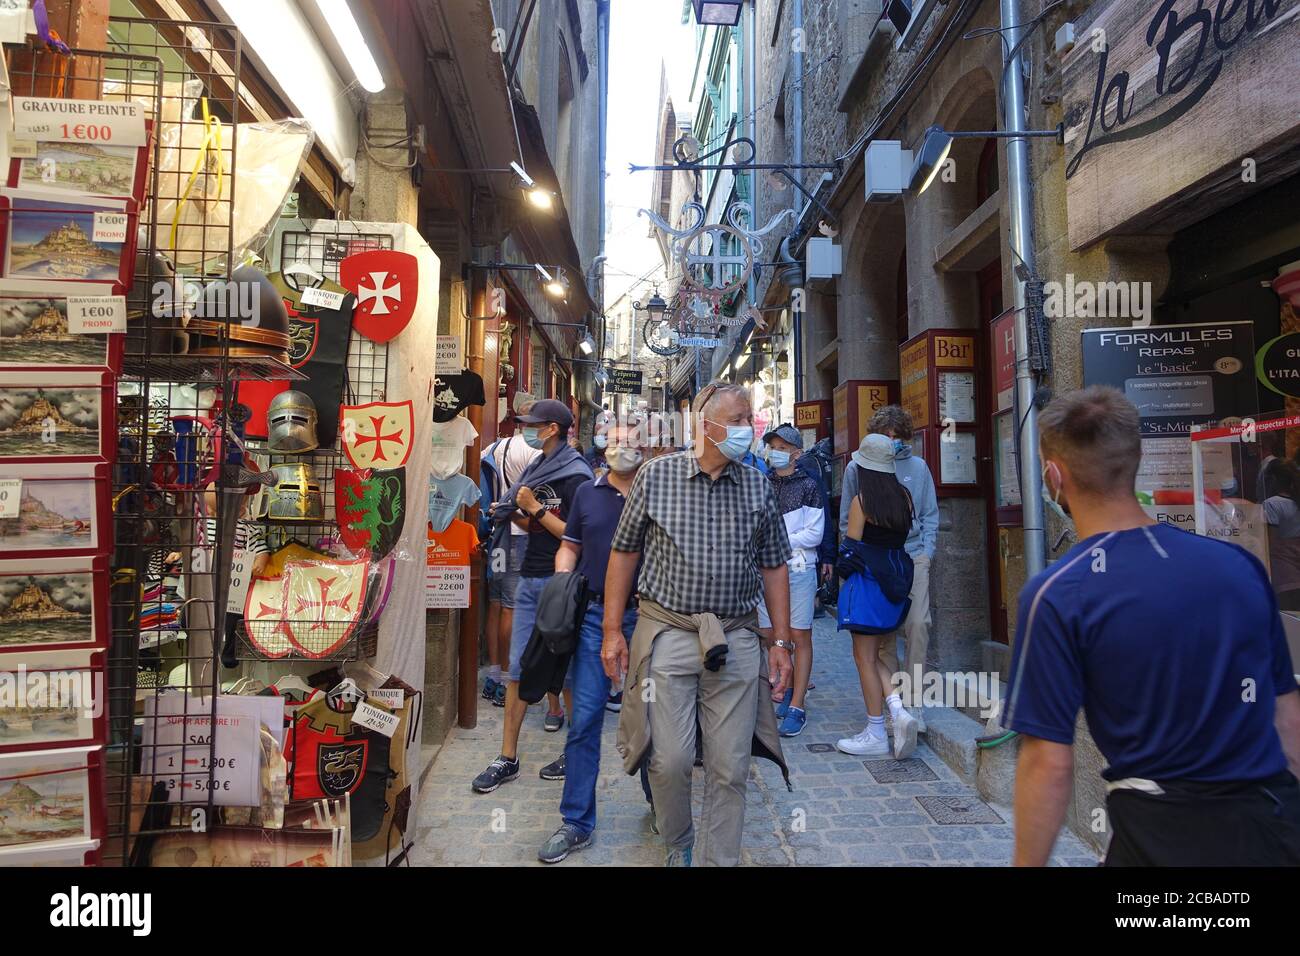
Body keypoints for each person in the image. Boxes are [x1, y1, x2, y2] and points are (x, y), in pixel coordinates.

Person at [1006, 386, 1300, 866]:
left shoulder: (1058, 594)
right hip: (1269, 822)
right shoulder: (1238, 566)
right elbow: (1287, 717)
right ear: (1135, 461)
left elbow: (1048, 762)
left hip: (1162, 833)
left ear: (1054, 476)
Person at [603, 382, 794, 867]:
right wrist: (611, 631)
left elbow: (774, 565)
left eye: (748, 419)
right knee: (668, 761)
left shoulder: (756, 484)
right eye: (736, 419)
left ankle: (718, 860)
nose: (745, 429)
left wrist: (782, 642)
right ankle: (680, 841)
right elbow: (623, 553)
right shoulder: (655, 476)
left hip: (736, 635)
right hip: (668, 634)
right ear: (704, 426)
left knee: (730, 768)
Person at [538, 422, 653, 863]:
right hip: (591, 617)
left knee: (653, 719)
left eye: (632, 440)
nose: (624, 447)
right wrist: (561, 577)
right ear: (605, 447)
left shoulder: (659, 491)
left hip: (648, 618)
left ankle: (660, 803)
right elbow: (571, 544)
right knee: (584, 718)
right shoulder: (588, 492)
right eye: (617, 440)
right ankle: (576, 821)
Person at [471, 399, 594, 793]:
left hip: (564, 584)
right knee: (517, 669)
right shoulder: (538, 466)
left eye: (532, 424)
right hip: (530, 574)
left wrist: (533, 508)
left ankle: (574, 753)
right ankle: (507, 756)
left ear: (551, 429)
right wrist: (511, 511)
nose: (526, 429)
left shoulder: (576, 476)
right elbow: (535, 522)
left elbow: (577, 535)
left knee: (569, 673)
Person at [839, 405, 938, 730]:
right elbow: (847, 520)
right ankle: (895, 706)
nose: (892, 441)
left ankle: (915, 702)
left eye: (897, 436)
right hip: (875, 562)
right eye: (886, 435)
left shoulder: (918, 468)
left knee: (918, 625)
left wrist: (926, 552)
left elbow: (928, 515)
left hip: (912, 556)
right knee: (883, 636)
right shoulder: (857, 468)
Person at [835, 433, 920, 759]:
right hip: (894, 584)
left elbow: (852, 547)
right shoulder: (904, 497)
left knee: (864, 659)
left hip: (868, 587)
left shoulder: (862, 502)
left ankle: (875, 731)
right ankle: (899, 713)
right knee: (877, 657)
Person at [758, 424, 824, 737]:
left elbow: (815, 533)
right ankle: (784, 687)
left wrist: (780, 539)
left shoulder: (809, 485)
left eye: (783, 447)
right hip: (767, 570)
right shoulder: (761, 483)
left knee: (799, 635)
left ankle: (797, 703)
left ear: (796, 453)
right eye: (773, 446)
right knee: (771, 633)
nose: (776, 452)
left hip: (799, 569)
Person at [480, 404, 542, 707]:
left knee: (494, 603)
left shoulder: (496, 446)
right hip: (520, 536)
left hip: (498, 536)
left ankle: (493, 674)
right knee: (511, 608)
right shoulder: (534, 453)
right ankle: (507, 677)